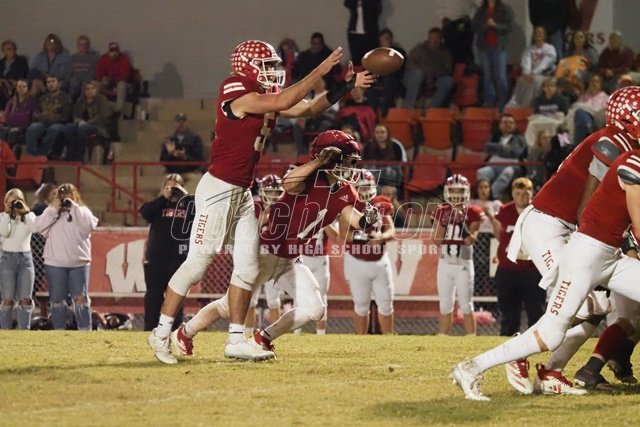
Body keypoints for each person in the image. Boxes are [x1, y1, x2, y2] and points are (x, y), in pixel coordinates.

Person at [146, 40, 374, 364]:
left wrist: (345, 86)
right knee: (197, 265)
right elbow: (284, 100)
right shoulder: (236, 90)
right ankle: (160, 333)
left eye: (274, 66)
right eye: (267, 66)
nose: (273, 72)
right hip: (218, 188)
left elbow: (309, 108)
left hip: (242, 191)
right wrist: (321, 70)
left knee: (249, 268)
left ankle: (236, 341)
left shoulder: (265, 98)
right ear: (248, 67)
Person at [451, 87, 640, 399]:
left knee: (596, 307)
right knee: (567, 318)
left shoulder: (626, 148)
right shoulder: (615, 144)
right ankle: (510, 355)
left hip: (588, 242)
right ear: (628, 118)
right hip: (554, 228)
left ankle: (551, 372)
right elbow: (586, 210)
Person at [171, 130, 381, 358]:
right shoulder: (308, 177)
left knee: (315, 308)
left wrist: (366, 220)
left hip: (291, 258)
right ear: (329, 158)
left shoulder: (345, 190)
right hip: (265, 253)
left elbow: (352, 219)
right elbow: (288, 185)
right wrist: (318, 162)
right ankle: (185, 333)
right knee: (229, 306)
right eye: (347, 161)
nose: (351, 168)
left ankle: (263, 338)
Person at [34, 184, 99, 330]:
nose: (66, 197)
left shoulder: (82, 210)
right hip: (55, 263)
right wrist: (54, 210)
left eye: (69, 194)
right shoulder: (51, 212)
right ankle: (59, 331)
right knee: (57, 299)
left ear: (75, 195)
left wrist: (73, 207)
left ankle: (85, 330)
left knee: (81, 298)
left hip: (79, 262)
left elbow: (89, 225)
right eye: (62, 194)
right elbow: (38, 227)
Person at [140, 174, 194, 331]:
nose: (172, 190)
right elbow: (145, 213)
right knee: (153, 296)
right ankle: (150, 329)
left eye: (176, 186)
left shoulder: (188, 205)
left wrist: (185, 196)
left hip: (179, 258)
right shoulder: (158, 204)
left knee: (176, 295)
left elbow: (199, 215)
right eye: (169, 186)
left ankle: (174, 330)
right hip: (156, 258)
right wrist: (163, 198)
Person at [432, 174, 484, 335]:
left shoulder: (473, 211)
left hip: (463, 264)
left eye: (459, 191)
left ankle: (470, 338)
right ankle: (442, 338)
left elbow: (470, 240)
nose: (456, 194)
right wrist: (444, 221)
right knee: (445, 304)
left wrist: (461, 222)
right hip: (445, 263)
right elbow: (437, 240)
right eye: (453, 190)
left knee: (466, 304)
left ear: (466, 192)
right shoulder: (441, 211)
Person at [345, 170, 396, 334]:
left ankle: (389, 341)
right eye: (360, 187)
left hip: (380, 260)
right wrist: (366, 237)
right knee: (361, 304)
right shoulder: (348, 205)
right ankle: (361, 341)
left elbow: (391, 231)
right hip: (357, 260)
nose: (364, 190)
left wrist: (382, 237)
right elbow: (344, 235)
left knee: (386, 303)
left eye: (367, 186)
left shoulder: (380, 203)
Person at [492, 177, 544, 337]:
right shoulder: (504, 211)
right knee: (509, 315)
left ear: (532, 193)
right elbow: (499, 235)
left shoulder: (539, 212)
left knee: (536, 313)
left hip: (532, 270)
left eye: (525, 193)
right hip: (508, 269)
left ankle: (535, 345)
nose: (521, 197)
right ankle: (506, 345)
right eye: (518, 193)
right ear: (512, 194)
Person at [0, 189, 37, 329]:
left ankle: (24, 332)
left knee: (25, 299)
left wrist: (25, 212)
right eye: (10, 202)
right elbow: (4, 232)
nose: (14, 205)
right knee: (7, 299)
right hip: (7, 260)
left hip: (26, 260)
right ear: (5, 203)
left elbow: (35, 229)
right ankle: (5, 331)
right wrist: (7, 214)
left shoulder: (29, 216)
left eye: (17, 201)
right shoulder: (2, 217)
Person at [471, 0, 513, 109]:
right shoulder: (481, 10)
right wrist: (486, 25)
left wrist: (495, 25)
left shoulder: (504, 9)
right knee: (487, 76)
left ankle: (503, 102)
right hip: (484, 48)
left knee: (500, 76)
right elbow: (474, 27)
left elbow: (509, 27)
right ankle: (490, 103)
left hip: (498, 47)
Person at [476, 113, 527, 200]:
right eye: (505, 122)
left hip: (512, 166)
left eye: (511, 123)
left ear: (514, 125)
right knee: (482, 172)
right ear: (500, 125)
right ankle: (482, 195)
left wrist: (497, 150)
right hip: (493, 166)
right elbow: (487, 147)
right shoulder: (494, 137)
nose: (508, 125)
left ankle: (491, 197)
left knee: (507, 173)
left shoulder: (519, 138)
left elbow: (515, 152)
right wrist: (504, 148)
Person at [402, 27, 454, 109]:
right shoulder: (419, 49)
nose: (434, 41)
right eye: (432, 38)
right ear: (428, 38)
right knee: (417, 73)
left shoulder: (445, 53)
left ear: (441, 40)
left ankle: (432, 108)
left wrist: (433, 74)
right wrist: (424, 73)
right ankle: (409, 106)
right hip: (416, 77)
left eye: (437, 39)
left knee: (448, 81)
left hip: (435, 78)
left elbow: (448, 69)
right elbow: (410, 63)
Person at [507, 26, 557, 109]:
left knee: (535, 81)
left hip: (545, 75)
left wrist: (533, 73)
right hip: (530, 74)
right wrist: (526, 73)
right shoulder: (529, 49)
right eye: (536, 33)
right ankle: (515, 103)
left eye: (541, 33)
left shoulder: (550, 48)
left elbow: (545, 63)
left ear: (545, 36)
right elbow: (526, 62)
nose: (539, 35)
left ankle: (527, 106)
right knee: (521, 80)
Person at [65, 80, 113, 162]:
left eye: (92, 88)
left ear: (97, 89)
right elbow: (75, 115)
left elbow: (103, 116)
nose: (90, 91)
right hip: (82, 124)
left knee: (83, 128)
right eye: (87, 89)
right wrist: (79, 121)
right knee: (69, 127)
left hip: (99, 126)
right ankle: (70, 156)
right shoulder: (80, 101)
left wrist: (86, 123)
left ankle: (79, 156)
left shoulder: (101, 99)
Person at [468, 178, 502, 297]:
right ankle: (478, 298)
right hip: (477, 237)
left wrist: (489, 214)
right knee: (478, 267)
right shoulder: (471, 203)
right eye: (481, 187)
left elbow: (500, 223)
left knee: (492, 268)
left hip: (492, 238)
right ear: (477, 190)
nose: (483, 190)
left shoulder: (496, 204)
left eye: (486, 187)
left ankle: (492, 299)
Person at [25, 74, 72, 157]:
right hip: (43, 122)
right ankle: (32, 155)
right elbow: (36, 112)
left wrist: (49, 117)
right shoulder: (43, 98)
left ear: (58, 84)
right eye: (48, 82)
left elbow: (65, 116)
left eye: (53, 81)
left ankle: (41, 155)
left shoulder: (65, 98)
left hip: (58, 123)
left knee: (53, 129)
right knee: (32, 128)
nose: (50, 84)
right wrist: (41, 116)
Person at [368, 28, 406, 116]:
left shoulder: (398, 52)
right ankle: (375, 114)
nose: (384, 42)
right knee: (368, 91)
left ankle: (385, 110)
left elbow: (398, 67)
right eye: (382, 40)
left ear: (391, 40)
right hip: (377, 80)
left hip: (394, 79)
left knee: (388, 79)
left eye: (387, 39)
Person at [160, 113, 204, 182]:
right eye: (178, 121)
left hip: (191, 172)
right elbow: (163, 161)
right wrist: (170, 154)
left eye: (183, 122)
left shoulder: (195, 139)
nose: (181, 124)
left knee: (195, 180)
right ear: (175, 123)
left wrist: (185, 157)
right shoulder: (169, 140)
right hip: (173, 173)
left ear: (187, 123)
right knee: (167, 182)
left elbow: (199, 160)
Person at [362, 124, 405, 190]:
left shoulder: (395, 146)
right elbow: (365, 164)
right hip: (374, 176)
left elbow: (400, 164)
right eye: (377, 132)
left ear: (387, 133)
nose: (380, 135)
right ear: (374, 134)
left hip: (390, 176)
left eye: (382, 132)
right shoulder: (368, 146)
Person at [571, 74, 608, 145]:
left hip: (596, 120)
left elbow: (602, 113)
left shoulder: (605, 97)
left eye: (596, 81)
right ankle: (587, 126)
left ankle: (576, 146)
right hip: (582, 119)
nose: (594, 83)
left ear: (600, 85)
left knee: (581, 114)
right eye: (592, 81)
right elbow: (576, 107)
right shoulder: (584, 96)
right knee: (579, 116)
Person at [95, 42, 132, 114]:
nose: (114, 53)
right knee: (94, 84)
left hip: (120, 86)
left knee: (122, 84)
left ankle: (119, 108)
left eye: (116, 51)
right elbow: (98, 74)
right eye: (112, 51)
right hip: (107, 86)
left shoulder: (124, 59)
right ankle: (95, 107)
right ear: (108, 52)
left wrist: (112, 80)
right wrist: (102, 80)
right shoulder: (103, 58)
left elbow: (125, 76)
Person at [1, 78, 37, 152]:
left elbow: (26, 118)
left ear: (28, 88)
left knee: (12, 133)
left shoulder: (32, 101)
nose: (21, 89)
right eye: (19, 86)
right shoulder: (12, 101)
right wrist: (16, 117)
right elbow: (7, 116)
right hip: (9, 125)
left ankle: (9, 154)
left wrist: (14, 117)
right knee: (3, 130)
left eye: (24, 87)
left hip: (24, 126)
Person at [344, 0, 381, 65]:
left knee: (370, 60)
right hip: (354, 32)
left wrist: (363, 3)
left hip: (370, 33)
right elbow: (347, 3)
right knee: (356, 60)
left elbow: (378, 9)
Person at [0, 40, 29, 109]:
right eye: (9, 49)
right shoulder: (1, 63)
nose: (12, 51)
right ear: (4, 51)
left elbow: (22, 74)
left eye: (14, 48)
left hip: (15, 83)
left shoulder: (21, 61)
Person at [70, 35, 99, 100]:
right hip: (76, 82)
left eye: (85, 44)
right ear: (78, 46)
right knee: (73, 85)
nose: (83, 46)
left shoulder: (94, 58)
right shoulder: (73, 58)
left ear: (88, 45)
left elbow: (93, 74)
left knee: (86, 86)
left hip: (88, 81)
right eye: (81, 44)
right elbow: (70, 73)